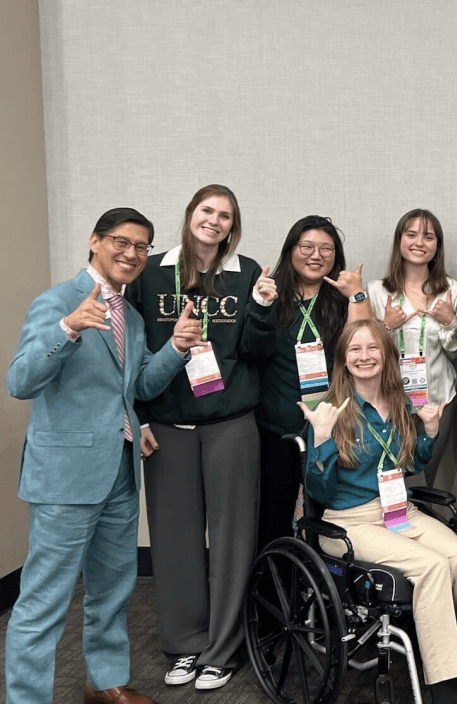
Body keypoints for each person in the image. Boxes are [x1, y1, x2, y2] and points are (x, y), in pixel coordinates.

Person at [6, 208, 203, 704]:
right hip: (64, 478)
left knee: (113, 591)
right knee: (43, 602)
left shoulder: (130, 316)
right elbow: (20, 381)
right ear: (95, 241)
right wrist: (68, 329)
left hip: (118, 471)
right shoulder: (58, 301)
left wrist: (177, 350)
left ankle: (105, 681)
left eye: (143, 246)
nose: (132, 254)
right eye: (122, 241)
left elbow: (133, 388)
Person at [301, 320, 457, 704]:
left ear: (388, 354)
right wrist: (320, 441)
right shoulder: (330, 410)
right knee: (432, 566)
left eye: (373, 348)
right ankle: (444, 691)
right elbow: (319, 491)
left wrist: (431, 433)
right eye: (355, 349)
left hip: (398, 510)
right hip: (348, 521)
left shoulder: (401, 401)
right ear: (343, 359)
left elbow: (409, 464)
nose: (364, 356)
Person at [126, 184, 277, 690]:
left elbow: (258, 351)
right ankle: (186, 643)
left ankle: (223, 648)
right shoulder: (148, 274)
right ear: (191, 214)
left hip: (230, 423)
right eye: (207, 211)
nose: (214, 221)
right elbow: (130, 355)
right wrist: (140, 417)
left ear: (233, 227)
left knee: (234, 540)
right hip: (167, 425)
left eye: (225, 215)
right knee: (173, 540)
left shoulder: (247, 273)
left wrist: (258, 306)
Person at [255, 215, 371, 553]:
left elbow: (361, 348)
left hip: (328, 427)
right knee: (273, 515)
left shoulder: (340, 299)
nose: (316, 255)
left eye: (326, 249)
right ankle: (273, 594)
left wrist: (357, 296)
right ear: (291, 250)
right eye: (307, 246)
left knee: (325, 515)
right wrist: (260, 304)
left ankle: (321, 594)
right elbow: (253, 350)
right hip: (276, 425)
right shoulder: (270, 294)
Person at [367, 209, 457, 489]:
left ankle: (424, 530)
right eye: (411, 234)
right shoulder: (377, 290)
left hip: (439, 399)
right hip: (390, 400)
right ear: (399, 241)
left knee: (426, 481)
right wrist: (386, 326)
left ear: (437, 246)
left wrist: (450, 323)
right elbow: (365, 353)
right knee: (392, 480)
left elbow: (456, 353)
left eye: (428, 236)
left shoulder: (452, 290)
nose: (419, 242)